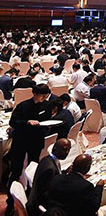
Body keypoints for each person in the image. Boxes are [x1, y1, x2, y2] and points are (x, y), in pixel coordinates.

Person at [7, 84, 52, 213]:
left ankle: (31, 200)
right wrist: (27, 122)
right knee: (16, 170)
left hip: (35, 141)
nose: (44, 98)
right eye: (42, 95)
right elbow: (13, 122)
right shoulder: (23, 106)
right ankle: (10, 203)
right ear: (34, 94)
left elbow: (46, 120)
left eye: (46, 95)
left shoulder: (47, 105)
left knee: (33, 170)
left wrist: (46, 126)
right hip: (21, 141)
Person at [27, 138, 71, 216]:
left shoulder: (48, 159)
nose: (67, 152)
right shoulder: (50, 169)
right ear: (54, 148)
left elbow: (54, 178)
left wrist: (65, 172)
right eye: (64, 150)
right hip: (39, 207)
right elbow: (44, 194)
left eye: (68, 149)